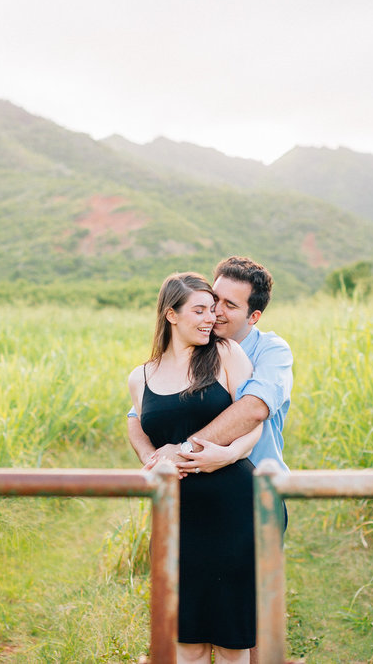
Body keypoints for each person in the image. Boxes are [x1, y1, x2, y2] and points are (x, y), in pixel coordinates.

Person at [128, 272, 262, 664]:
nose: (211, 318)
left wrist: (229, 454)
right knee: (185, 637)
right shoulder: (141, 376)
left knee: (232, 639)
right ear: (171, 314)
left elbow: (252, 421)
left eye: (214, 309)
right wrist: (151, 460)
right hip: (176, 512)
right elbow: (138, 425)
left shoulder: (226, 355)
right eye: (200, 310)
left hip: (232, 502)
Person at [129, 256, 292, 518]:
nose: (215, 312)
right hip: (187, 497)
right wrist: (155, 460)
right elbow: (138, 415)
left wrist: (184, 450)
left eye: (230, 305)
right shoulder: (193, 350)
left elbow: (253, 410)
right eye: (215, 300)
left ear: (254, 316)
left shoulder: (271, 351)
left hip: (256, 488)